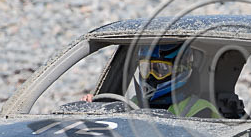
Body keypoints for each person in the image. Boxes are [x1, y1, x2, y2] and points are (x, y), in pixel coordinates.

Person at [82, 42, 222, 119]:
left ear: (180, 70)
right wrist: (94, 107)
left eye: (160, 68)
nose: (150, 75)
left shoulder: (201, 109)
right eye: (145, 68)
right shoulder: (135, 102)